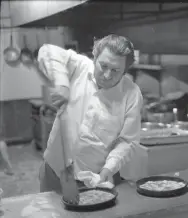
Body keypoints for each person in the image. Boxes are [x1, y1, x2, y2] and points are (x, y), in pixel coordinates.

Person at [37, 34, 143, 193]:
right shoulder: (79, 67)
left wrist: (109, 169)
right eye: (103, 66)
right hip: (54, 170)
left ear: (125, 71)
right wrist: (62, 84)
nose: (107, 75)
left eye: (115, 70)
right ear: (95, 58)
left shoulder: (132, 94)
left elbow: (127, 141)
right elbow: (47, 52)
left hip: (92, 180)